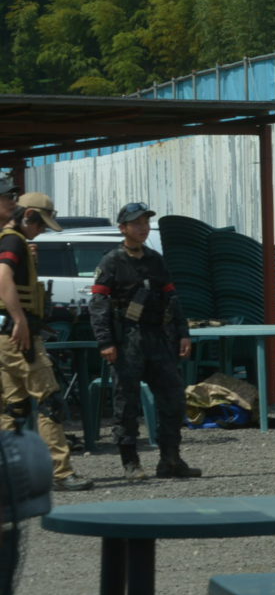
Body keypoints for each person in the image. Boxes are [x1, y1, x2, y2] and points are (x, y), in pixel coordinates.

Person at [88, 202, 198, 481]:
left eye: (146, 223)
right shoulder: (112, 261)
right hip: (127, 340)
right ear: (123, 228)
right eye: (136, 223)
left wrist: (183, 333)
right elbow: (98, 303)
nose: (143, 228)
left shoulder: (155, 260)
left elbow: (172, 298)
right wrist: (105, 342)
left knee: (173, 399)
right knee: (126, 403)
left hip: (157, 338)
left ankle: (170, 460)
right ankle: (131, 462)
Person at [0, 193, 91, 490]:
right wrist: (20, 319)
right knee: (49, 401)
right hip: (18, 336)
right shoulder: (13, 241)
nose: (41, 230)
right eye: (41, 224)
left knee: (14, 407)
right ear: (29, 216)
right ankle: (61, 472)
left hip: (5, 336)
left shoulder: (11, 240)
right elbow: (3, 277)